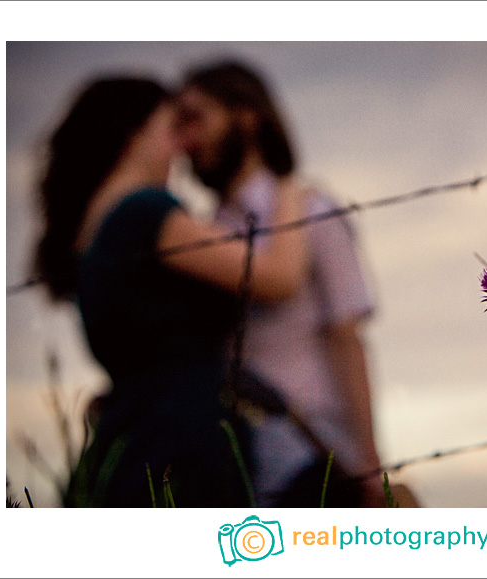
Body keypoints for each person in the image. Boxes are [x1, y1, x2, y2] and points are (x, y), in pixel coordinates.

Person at [34, 77, 309, 507]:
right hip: (184, 442)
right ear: (133, 134)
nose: (182, 147)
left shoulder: (88, 231)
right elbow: (278, 278)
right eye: (170, 130)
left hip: (129, 439)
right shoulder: (144, 212)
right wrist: (289, 184)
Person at [175, 61, 385, 507]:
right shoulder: (205, 230)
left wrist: (367, 460)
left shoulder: (312, 210)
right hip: (236, 458)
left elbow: (345, 334)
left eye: (197, 118)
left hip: (314, 449)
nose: (186, 140)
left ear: (247, 116)